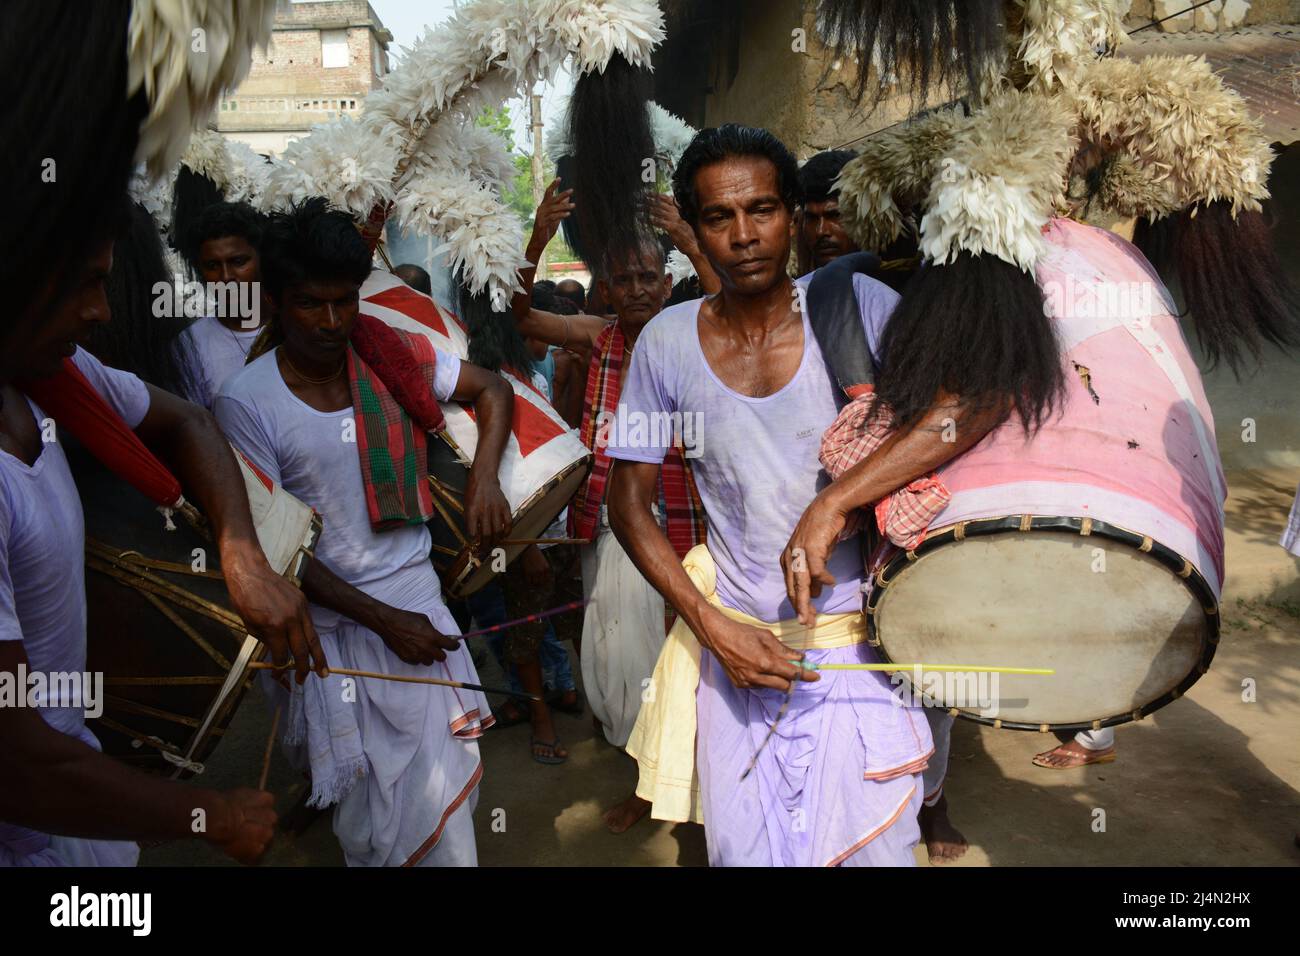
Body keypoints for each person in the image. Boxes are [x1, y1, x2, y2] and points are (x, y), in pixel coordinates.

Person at [605, 125, 934, 865]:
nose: (746, 236)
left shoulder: (858, 310)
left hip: (860, 651)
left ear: (793, 213)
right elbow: (626, 503)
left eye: (764, 210)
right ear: (694, 228)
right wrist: (710, 625)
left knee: (872, 853)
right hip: (736, 657)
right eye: (720, 218)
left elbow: (959, 414)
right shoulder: (664, 342)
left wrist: (835, 501)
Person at [1, 197, 322, 867]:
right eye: (85, 284)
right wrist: (213, 814)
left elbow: (189, 424)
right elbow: (19, 763)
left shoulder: (53, 377)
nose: (102, 312)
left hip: (76, 797)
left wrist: (242, 557)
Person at [214, 199, 514, 866]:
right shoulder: (244, 403)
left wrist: (486, 479)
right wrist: (383, 622)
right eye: (309, 304)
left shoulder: (391, 352)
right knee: (367, 828)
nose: (331, 321)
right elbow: (271, 549)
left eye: (344, 301)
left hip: (416, 610)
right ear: (274, 301)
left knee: (446, 819)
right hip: (327, 637)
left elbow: (493, 389)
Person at [509, 182, 718, 830]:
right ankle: (646, 784)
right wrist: (537, 239)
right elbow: (518, 318)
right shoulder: (598, 338)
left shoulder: (696, 329)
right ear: (606, 289)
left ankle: (690, 794)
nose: (637, 290)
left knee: (675, 660)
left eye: (649, 277)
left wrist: (687, 236)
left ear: (666, 280)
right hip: (609, 526)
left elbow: (729, 297)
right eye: (624, 279)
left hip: (681, 528)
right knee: (615, 656)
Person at [174, 202, 269, 408]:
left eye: (238, 261)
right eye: (212, 266)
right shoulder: (190, 344)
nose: (226, 277)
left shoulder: (294, 326)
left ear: (262, 259)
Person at [795, 149, 861, 275]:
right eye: (811, 218)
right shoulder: (798, 291)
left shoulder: (888, 291)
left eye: (835, 216)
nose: (820, 231)